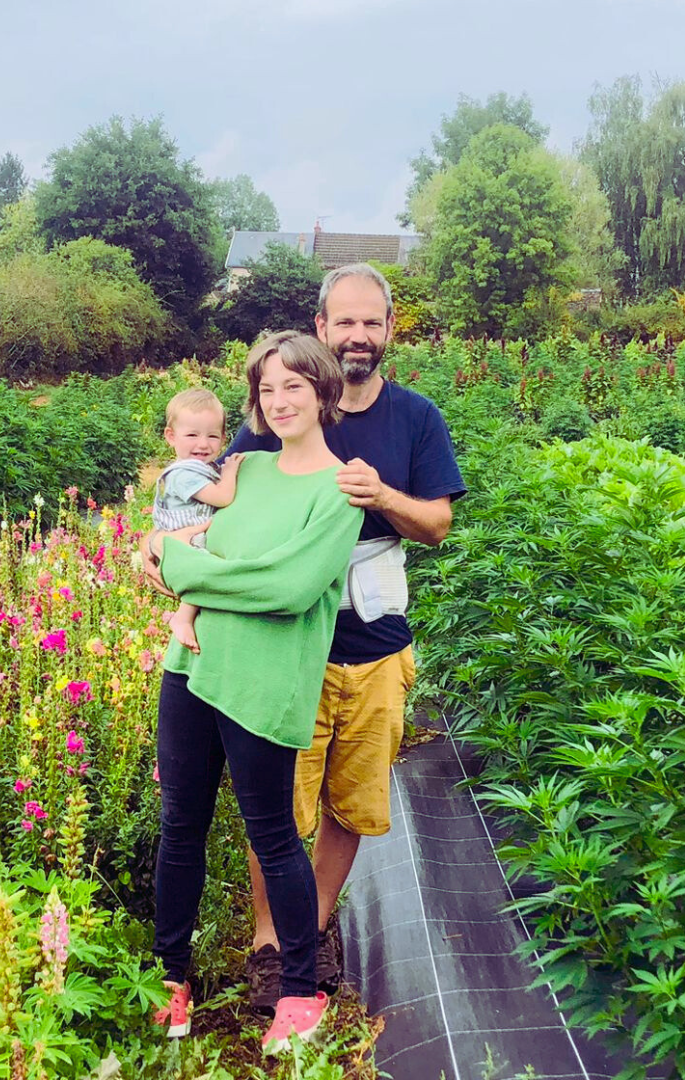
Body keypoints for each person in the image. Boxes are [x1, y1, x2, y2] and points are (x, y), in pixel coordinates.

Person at [223, 264, 465, 1012]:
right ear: (321, 328)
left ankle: (314, 926)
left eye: (373, 322)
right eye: (344, 322)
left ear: (389, 332)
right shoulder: (282, 413)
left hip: (379, 646)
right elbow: (227, 505)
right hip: (289, 646)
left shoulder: (415, 417)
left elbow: (437, 525)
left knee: (349, 804)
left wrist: (381, 495)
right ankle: (272, 944)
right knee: (277, 808)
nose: (358, 336)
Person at [142, 331, 364, 1053]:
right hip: (192, 667)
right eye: (268, 389)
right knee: (182, 826)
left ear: (325, 392)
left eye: (295, 385)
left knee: (273, 837)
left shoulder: (342, 490)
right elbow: (189, 538)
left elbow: (287, 586)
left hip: (264, 682)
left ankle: (300, 990)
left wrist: (180, 572)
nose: (280, 400)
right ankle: (170, 976)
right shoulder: (245, 469)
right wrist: (170, 557)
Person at [151, 387, 242, 652]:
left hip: (187, 536)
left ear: (224, 438)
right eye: (192, 435)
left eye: (212, 436)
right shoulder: (183, 474)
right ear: (171, 436)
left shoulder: (199, 468)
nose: (203, 444)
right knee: (206, 565)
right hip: (186, 540)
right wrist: (232, 470)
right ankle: (183, 616)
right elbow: (223, 497)